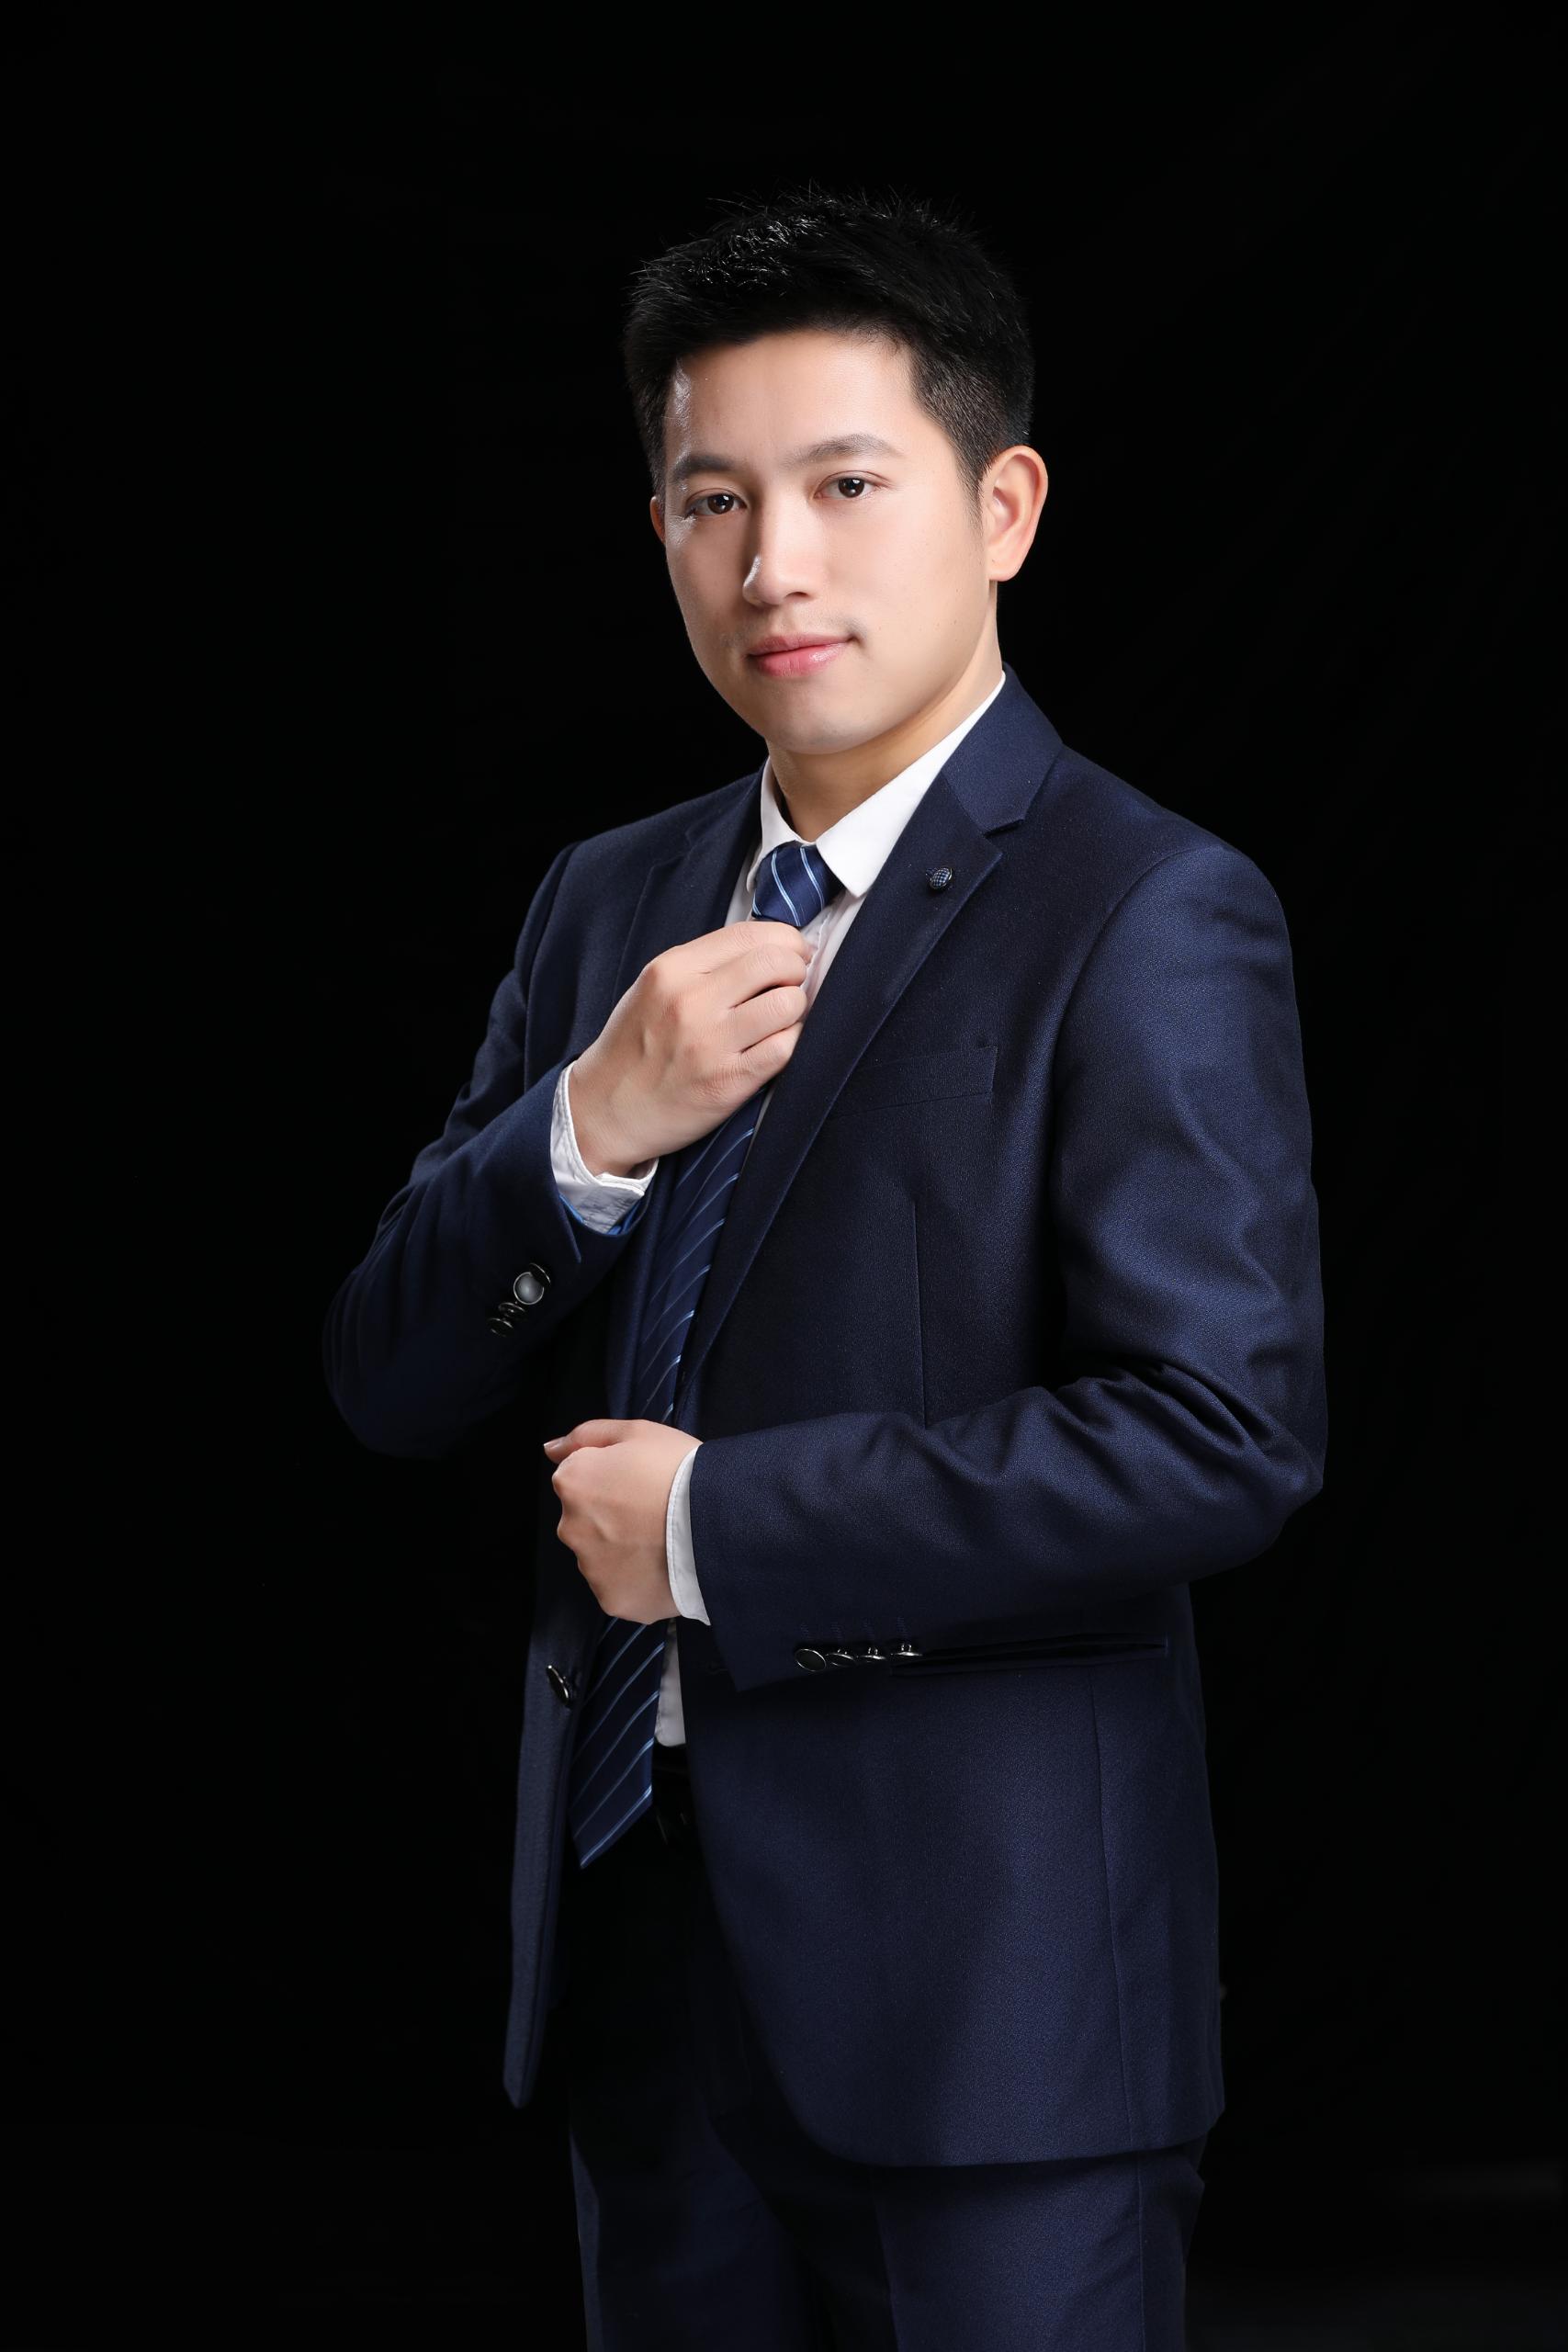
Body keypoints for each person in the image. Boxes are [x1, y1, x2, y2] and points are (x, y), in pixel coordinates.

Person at [322, 180, 1327, 2351]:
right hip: (642, 1981)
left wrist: (714, 1523)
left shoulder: (1144, 904)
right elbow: (387, 1372)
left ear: (1001, 507)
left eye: (844, 485)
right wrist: (587, 1124)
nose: (771, 562)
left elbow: (1214, 1435)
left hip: (992, 2011)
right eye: (712, 501)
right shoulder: (604, 902)